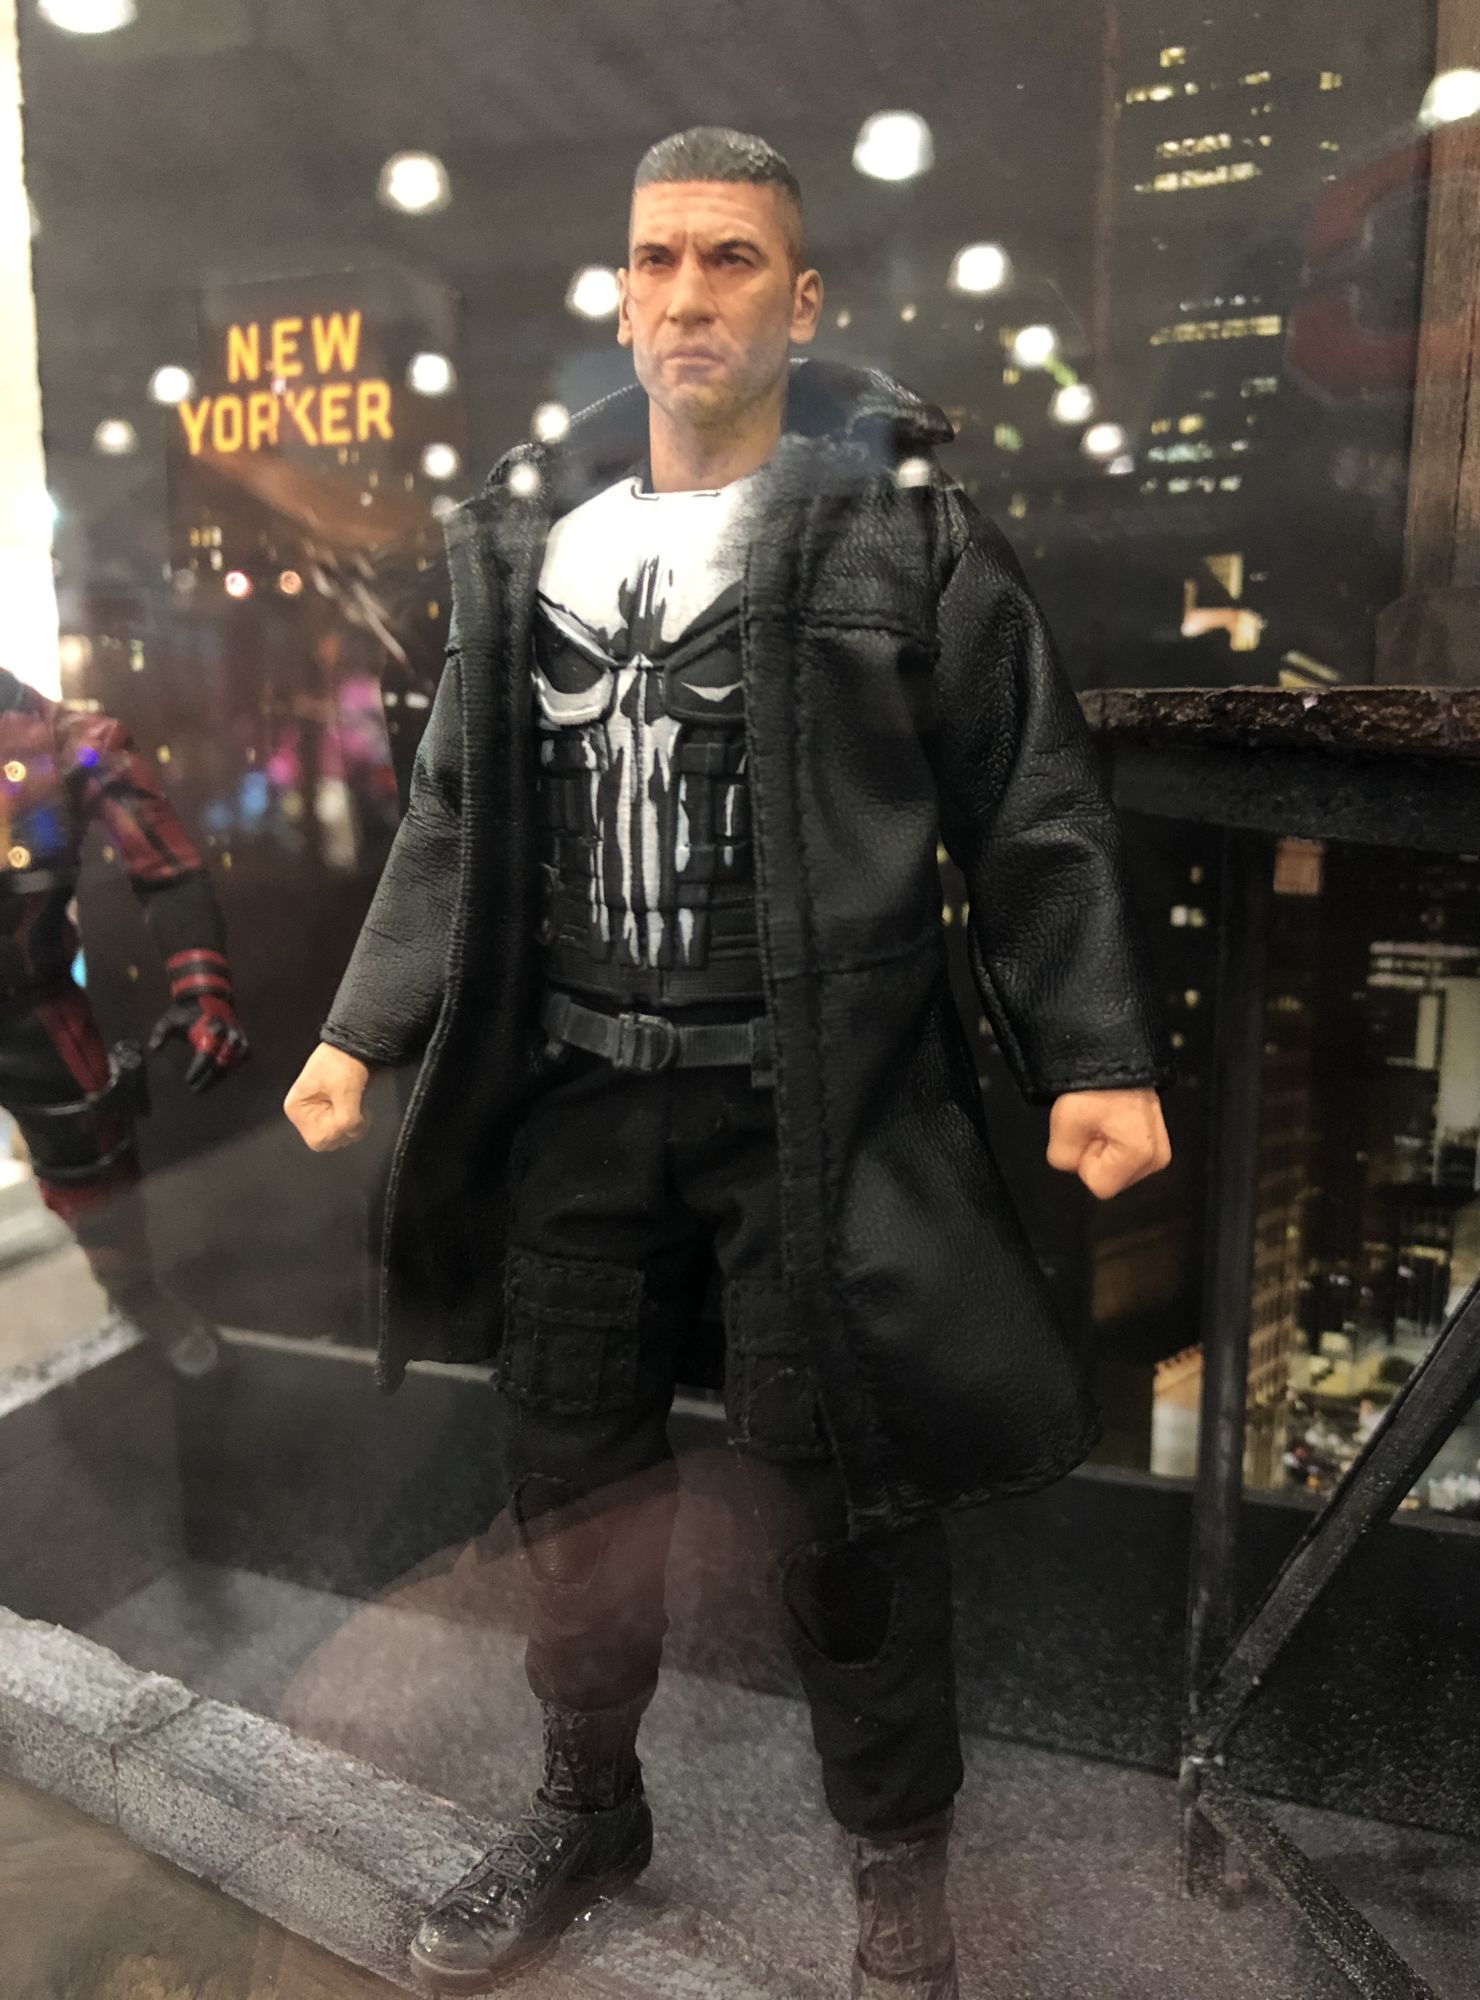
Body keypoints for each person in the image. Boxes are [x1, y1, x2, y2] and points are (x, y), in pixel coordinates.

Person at [285, 127, 1173, 1999]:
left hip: (813, 1103)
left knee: (848, 1499)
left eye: (732, 259)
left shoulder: (899, 530)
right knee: (566, 1481)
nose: (687, 294)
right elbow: (451, 811)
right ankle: (585, 1804)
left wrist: (1093, 1048)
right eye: (659, 258)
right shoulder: (534, 540)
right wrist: (364, 1026)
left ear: (802, 297)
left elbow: (1031, 804)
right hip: (582, 1096)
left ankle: (899, 1886)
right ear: (621, 292)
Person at [0, 666, 249, 1375]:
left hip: (33, 1011)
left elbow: (167, 871)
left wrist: (203, 992)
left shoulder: (77, 743)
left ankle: (136, 1294)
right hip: (36, 1008)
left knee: (97, 1173)